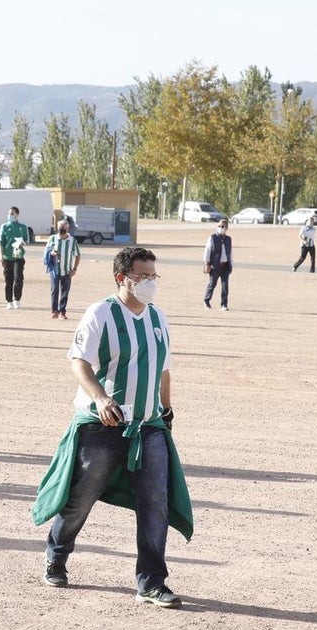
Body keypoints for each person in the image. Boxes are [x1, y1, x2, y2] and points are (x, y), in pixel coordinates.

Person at [32, 246, 192, 608]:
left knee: (156, 503)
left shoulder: (157, 317)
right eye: (143, 276)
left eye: (154, 275)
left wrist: (166, 410)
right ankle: (57, 554)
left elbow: (163, 370)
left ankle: (151, 582)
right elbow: (79, 362)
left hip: (148, 426)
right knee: (81, 497)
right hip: (103, 424)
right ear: (122, 278)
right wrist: (101, 398)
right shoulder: (101, 313)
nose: (150, 282)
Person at [45, 220, 81, 320]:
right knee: (54, 290)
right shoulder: (53, 238)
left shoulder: (72, 241)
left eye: (64, 227)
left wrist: (74, 269)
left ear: (68, 228)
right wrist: (51, 253)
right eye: (60, 227)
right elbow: (46, 251)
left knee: (65, 292)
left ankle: (62, 311)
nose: (62, 228)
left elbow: (77, 255)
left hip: (67, 271)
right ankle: (54, 311)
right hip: (55, 270)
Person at [0, 206, 29, 309]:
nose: (10, 215)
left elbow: (26, 240)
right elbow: (1, 242)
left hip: (18, 256)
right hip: (7, 257)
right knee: (8, 279)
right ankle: (9, 301)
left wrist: (21, 242)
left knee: (18, 277)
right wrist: (1, 255)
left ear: (17, 214)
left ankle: (17, 299)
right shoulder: (4, 226)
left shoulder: (22, 227)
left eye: (12, 213)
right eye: (9, 213)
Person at [203, 218, 232, 311]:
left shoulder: (228, 239)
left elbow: (230, 253)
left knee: (225, 286)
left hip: (225, 266)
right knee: (212, 284)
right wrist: (207, 263)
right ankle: (206, 301)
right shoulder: (212, 238)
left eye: (223, 226)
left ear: (226, 228)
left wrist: (231, 264)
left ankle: (224, 304)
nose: (220, 228)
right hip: (215, 265)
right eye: (219, 226)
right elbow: (207, 251)